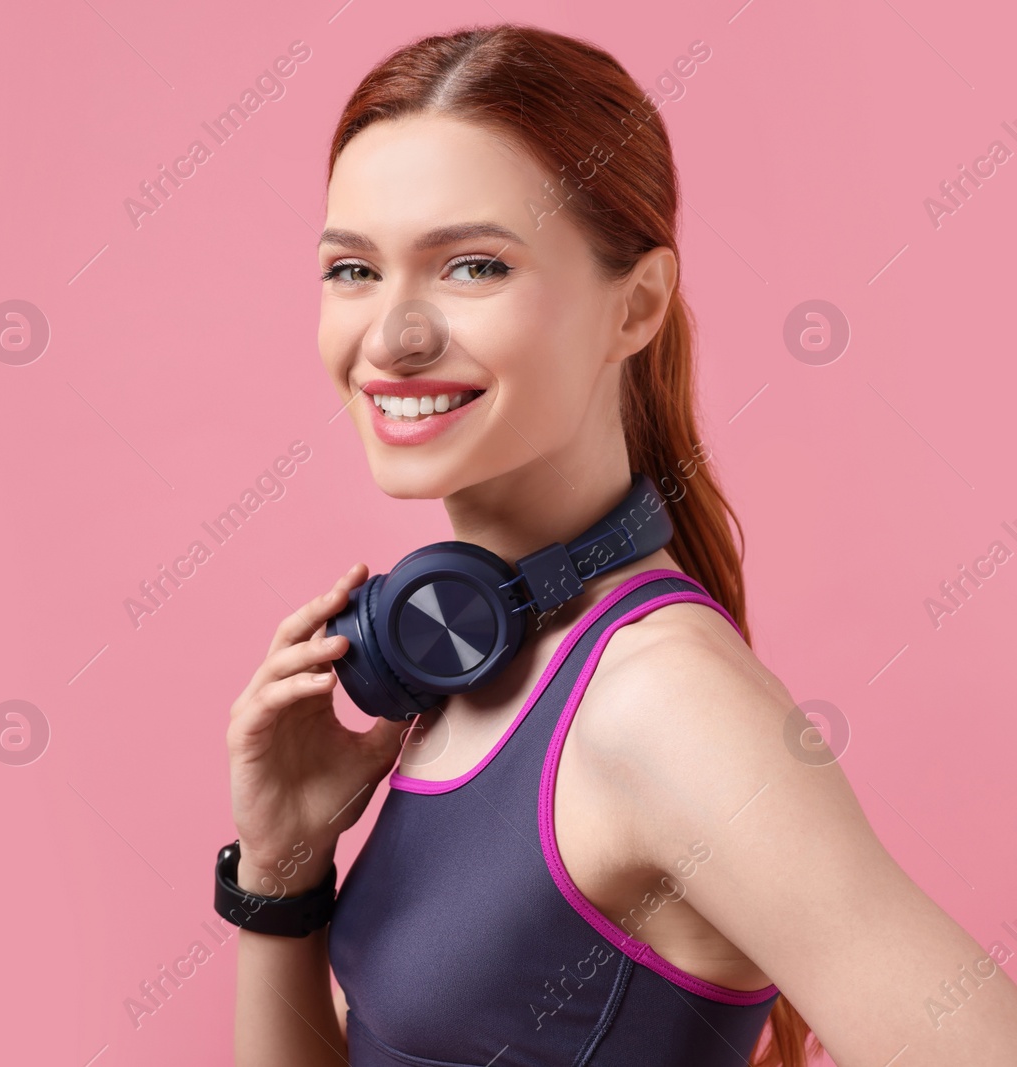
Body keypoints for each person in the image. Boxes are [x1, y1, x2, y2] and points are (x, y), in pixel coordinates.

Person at [221, 23, 1017, 1066]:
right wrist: (281, 868)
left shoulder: (661, 701)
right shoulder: (468, 660)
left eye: (471, 265)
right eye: (353, 270)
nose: (393, 335)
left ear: (635, 303)